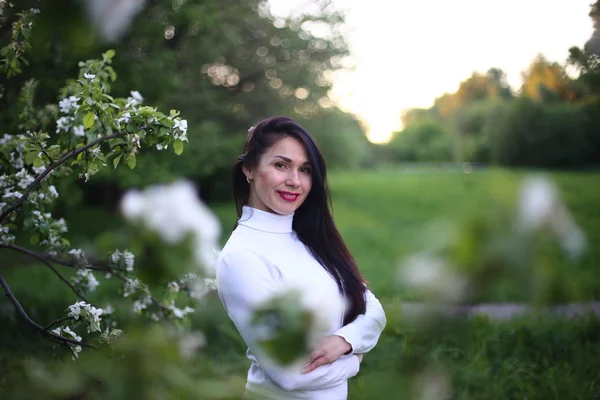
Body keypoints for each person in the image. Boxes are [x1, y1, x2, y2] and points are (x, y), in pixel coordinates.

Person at [216, 116, 386, 400]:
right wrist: (355, 359)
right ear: (249, 169)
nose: (294, 181)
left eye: (305, 169)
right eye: (281, 165)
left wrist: (345, 340)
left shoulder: (312, 240)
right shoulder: (242, 257)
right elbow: (291, 373)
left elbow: (374, 311)